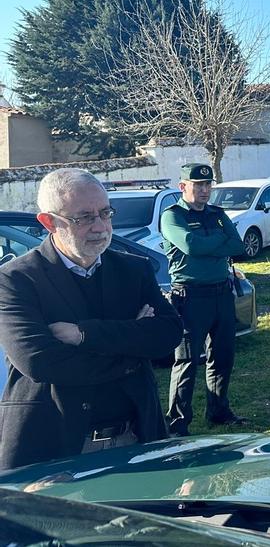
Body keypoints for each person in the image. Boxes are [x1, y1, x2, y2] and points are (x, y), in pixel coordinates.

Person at [0, 169, 182, 469]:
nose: (100, 227)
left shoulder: (133, 269)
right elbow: (39, 362)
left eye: (105, 213)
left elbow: (169, 334)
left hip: (136, 438)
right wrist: (133, 346)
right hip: (53, 447)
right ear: (49, 222)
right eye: (83, 217)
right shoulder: (17, 279)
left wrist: (84, 335)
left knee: (137, 518)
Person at [161, 163, 249, 436]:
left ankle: (219, 410)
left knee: (223, 356)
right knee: (186, 360)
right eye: (197, 185)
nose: (204, 190)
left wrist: (210, 241)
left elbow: (238, 245)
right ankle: (178, 422)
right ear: (183, 187)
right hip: (190, 296)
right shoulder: (172, 216)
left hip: (221, 293)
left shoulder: (217, 214)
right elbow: (190, 246)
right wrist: (217, 240)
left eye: (207, 185)